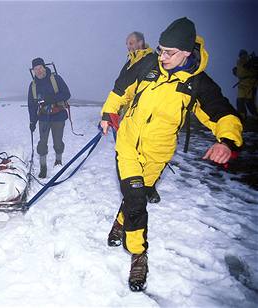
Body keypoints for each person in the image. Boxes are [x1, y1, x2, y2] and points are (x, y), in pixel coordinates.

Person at [99, 17, 243, 292]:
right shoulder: (148, 64)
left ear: (187, 52)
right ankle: (139, 254)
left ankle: (120, 223)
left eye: (169, 52)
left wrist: (227, 141)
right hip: (128, 144)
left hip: (158, 152)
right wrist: (109, 112)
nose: (161, 56)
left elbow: (223, 113)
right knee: (136, 198)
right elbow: (121, 88)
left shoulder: (197, 84)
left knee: (136, 196)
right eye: (161, 49)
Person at [121, 33, 161, 203]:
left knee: (150, 153)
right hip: (131, 116)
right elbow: (121, 87)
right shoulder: (128, 63)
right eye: (127, 44)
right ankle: (134, 189)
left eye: (131, 42)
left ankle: (150, 187)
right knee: (131, 154)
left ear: (141, 42)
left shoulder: (153, 59)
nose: (129, 46)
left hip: (150, 116)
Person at [28, 57, 71, 178]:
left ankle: (58, 161)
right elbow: (32, 105)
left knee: (58, 142)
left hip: (58, 116)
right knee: (42, 143)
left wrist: (52, 99)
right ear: (33, 71)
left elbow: (67, 93)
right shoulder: (33, 85)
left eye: (40, 68)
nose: (39, 71)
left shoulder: (56, 79)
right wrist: (32, 121)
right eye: (36, 69)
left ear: (44, 67)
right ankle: (43, 167)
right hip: (43, 118)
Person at [233, 49, 258, 121]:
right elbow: (240, 72)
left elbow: (253, 70)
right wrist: (235, 72)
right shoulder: (240, 62)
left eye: (244, 54)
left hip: (251, 84)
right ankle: (242, 116)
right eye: (241, 55)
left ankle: (255, 115)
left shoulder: (251, 61)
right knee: (240, 100)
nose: (242, 56)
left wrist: (251, 64)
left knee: (250, 102)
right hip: (242, 84)